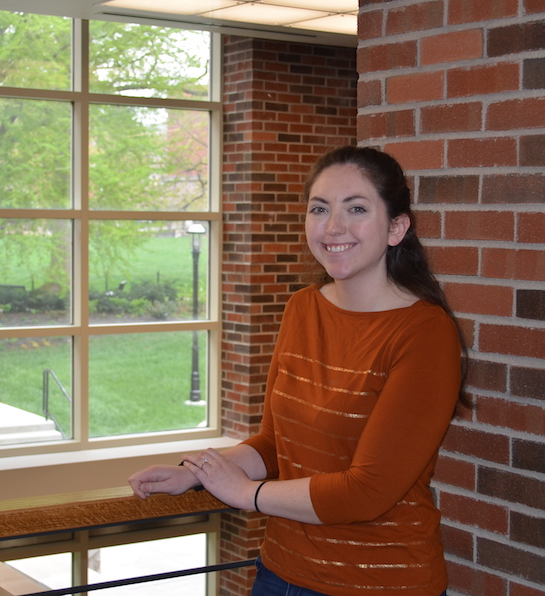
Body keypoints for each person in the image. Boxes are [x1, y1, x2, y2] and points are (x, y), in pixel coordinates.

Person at [129, 146, 466, 596]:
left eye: (357, 209)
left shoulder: (424, 333)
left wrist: (244, 493)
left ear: (396, 228)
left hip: (381, 583)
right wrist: (200, 471)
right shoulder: (303, 308)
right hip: (280, 574)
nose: (333, 227)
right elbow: (274, 444)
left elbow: (366, 492)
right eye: (320, 209)